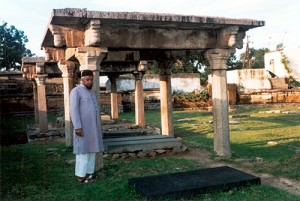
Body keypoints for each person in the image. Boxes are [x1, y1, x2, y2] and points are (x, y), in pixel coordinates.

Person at [70, 69, 104, 183]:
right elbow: (73, 110)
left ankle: (89, 174)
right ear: (82, 79)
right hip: (82, 128)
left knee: (92, 151)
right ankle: (81, 177)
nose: (89, 82)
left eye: (91, 80)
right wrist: (77, 127)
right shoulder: (76, 91)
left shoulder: (92, 93)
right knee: (82, 152)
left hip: (93, 129)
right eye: (87, 79)